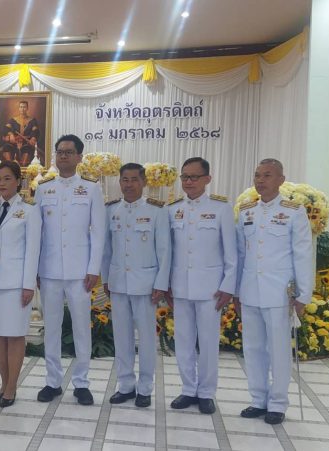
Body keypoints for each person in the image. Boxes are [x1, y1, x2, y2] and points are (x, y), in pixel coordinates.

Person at [235, 158, 314, 425]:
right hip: (249, 290)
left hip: (280, 293)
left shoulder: (293, 211)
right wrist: (236, 291)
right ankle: (258, 399)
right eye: (257, 175)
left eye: (267, 175)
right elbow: (240, 254)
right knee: (253, 348)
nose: (260, 180)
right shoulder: (246, 211)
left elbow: (303, 254)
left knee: (279, 350)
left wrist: (303, 294)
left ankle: (278, 403)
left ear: (281, 179)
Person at [34, 134, 105, 406]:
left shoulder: (91, 188)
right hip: (49, 270)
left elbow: (98, 232)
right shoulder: (43, 189)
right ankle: (53, 382)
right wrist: (36, 269)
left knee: (81, 328)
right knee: (51, 328)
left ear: (79, 157)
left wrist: (94, 268)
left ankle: (82, 383)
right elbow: (37, 233)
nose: (63, 156)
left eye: (68, 152)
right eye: (59, 151)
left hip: (80, 272)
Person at [167, 157, 237, 415]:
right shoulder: (172, 209)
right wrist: (166, 284)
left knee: (208, 343)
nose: (189, 182)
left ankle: (206, 392)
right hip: (180, 287)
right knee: (183, 341)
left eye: (194, 177)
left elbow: (231, 252)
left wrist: (228, 285)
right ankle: (188, 389)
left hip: (211, 289)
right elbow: (168, 252)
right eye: (185, 177)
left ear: (207, 179)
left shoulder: (221, 209)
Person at [100, 163, 170, 408]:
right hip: (118, 283)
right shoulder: (111, 210)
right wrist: (106, 279)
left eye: (134, 180)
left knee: (147, 339)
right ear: (119, 182)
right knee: (122, 338)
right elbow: (106, 249)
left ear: (144, 182)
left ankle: (145, 388)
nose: (129, 185)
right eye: (125, 180)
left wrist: (161, 283)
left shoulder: (157, 210)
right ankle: (126, 385)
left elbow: (164, 250)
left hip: (146, 286)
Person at [0, 161, 41, 408]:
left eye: (7, 178)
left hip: (16, 282)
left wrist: (28, 285)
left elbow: (33, 250)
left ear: (18, 181)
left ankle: (12, 386)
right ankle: (3, 383)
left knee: (15, 335)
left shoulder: (30, 211)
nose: (2, 183)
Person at [0, 100, 41, 166]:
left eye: (24, 107)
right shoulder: (13, 120)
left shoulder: (32, 120)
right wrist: (11, 134)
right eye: (21, 107)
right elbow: (6, 128)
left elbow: (35, 131)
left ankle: (23, 168)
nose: (22, 109)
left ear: (27, 108)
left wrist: (33, 138)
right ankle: (9, 166)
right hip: (14, 143)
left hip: (26, 143)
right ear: (19, 108)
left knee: (27, 149)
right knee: (6, 147)